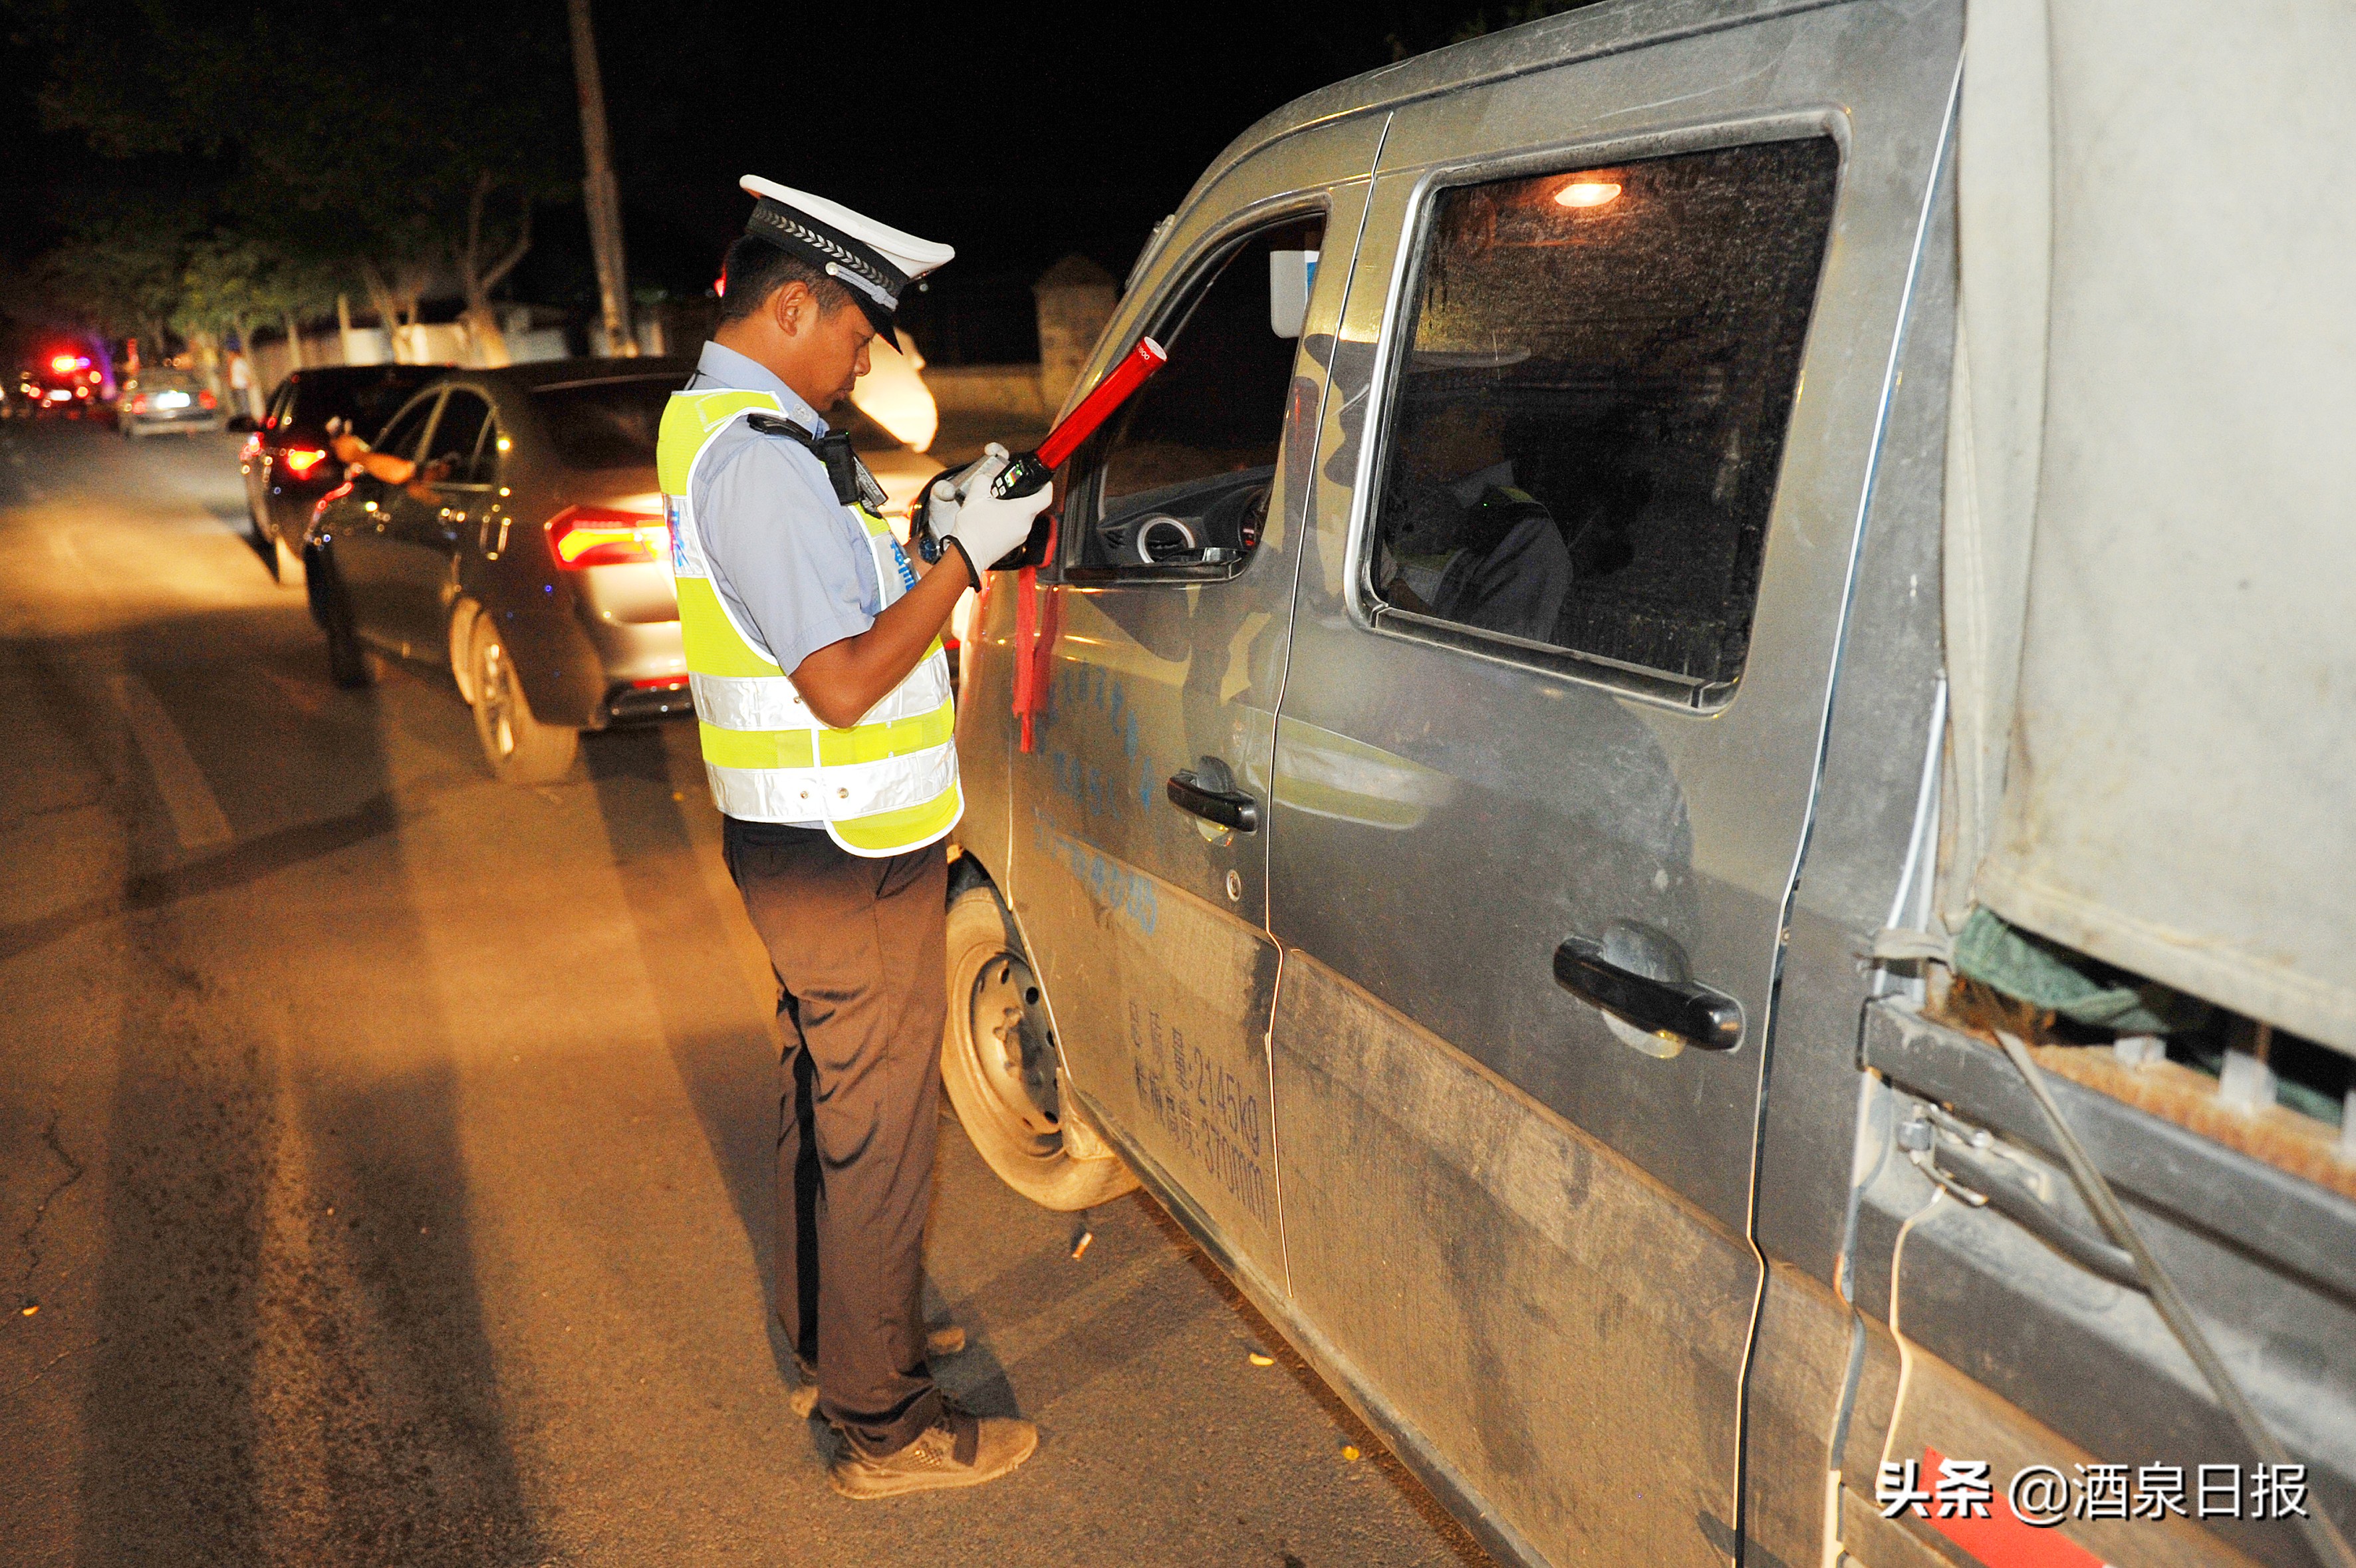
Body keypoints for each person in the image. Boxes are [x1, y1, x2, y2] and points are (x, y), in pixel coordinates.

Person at [657, 176, 1050, 1499]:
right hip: (844, 848)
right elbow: (837, 679)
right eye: (857, 331)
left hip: (802, 837)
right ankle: (881, 1425)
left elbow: (835, 599)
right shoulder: (759, 456)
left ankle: (836, 1333)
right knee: (878, 1132)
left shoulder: (738, 426)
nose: (867, 357)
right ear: (790, 304)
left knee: (829, 1101)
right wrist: (967, 563)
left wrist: (930, 528)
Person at [1377, 399, 1571, 644]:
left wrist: (1394, 592)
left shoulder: (1530, 535)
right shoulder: (1417, 497)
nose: (1409, 439)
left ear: (1489, 424)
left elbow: (1492, 665)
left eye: (1434, 420)